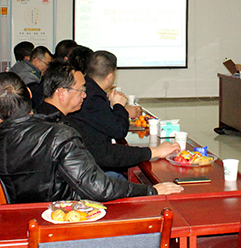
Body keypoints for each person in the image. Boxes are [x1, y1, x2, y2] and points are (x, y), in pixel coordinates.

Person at [0, 72, 183, 204]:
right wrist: (151, 191)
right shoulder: (59, 134)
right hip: (65, 218)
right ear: (29, 94)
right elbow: (98, 188)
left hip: (21, 218)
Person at [35, 60, 179, 177]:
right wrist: (154, 152)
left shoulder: (43, 113)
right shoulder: (61, 128)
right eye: (81, 90)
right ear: (61, 93)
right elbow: (105, 154)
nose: (84, 95)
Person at [70, 51, 140, 144]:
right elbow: (119, 131)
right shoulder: (94, 97)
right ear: (110, 77)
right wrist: (118, 105)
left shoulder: (86, 86)